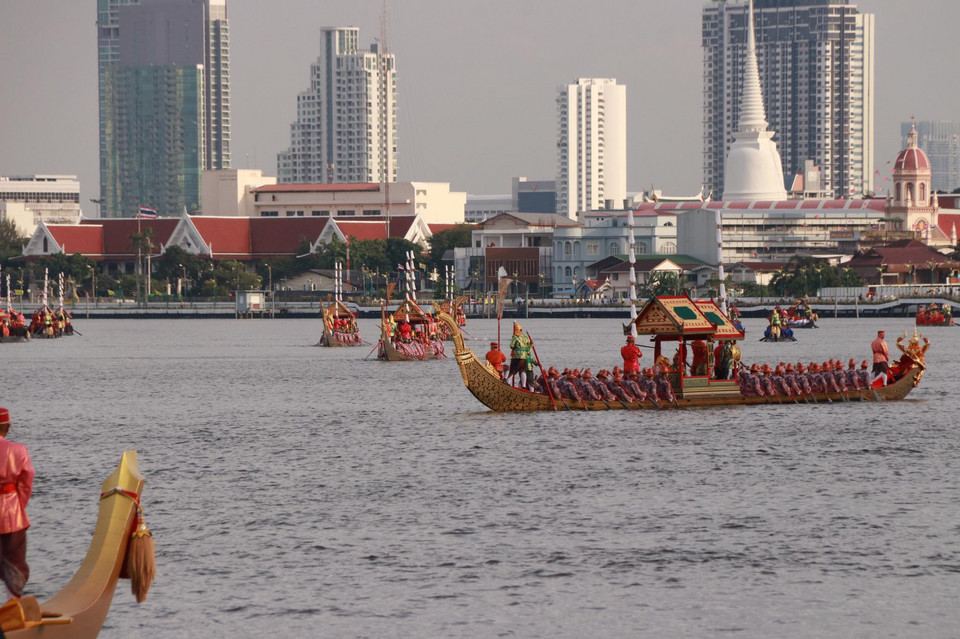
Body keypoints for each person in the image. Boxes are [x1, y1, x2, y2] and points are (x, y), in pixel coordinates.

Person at [0, 409, 34, 600]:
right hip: (12, 514)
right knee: (15, 562)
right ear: (8, 427)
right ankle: (14, 607)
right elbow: (27, 480)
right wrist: (19, 506)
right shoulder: (19, 450)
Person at [508, 322, 534, 390]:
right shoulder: (526, 337)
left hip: (516, 356)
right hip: (524, 357)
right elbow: (529, 348)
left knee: (512, 370)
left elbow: (511, 346)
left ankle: (508, 382)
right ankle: (524, 385)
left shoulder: (515, 337)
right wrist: (530, 345)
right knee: (523, 370)